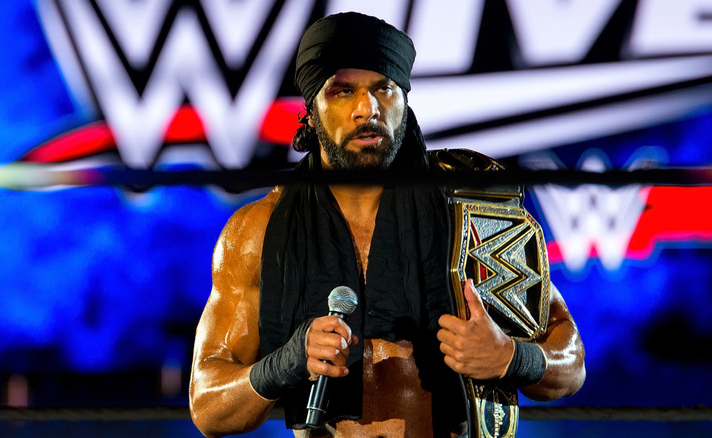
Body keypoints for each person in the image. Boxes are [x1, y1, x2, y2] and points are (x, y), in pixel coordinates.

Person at [189, 12, 585, 438]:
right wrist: (282, 364)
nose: (368, 109)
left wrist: (510, 358)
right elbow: (208, 408)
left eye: (384, 88)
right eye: (343, 91)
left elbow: (571, 361)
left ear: (404, 100)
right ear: (311, 109)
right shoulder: (258, 231)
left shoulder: (472, 209)